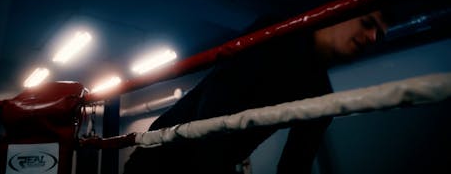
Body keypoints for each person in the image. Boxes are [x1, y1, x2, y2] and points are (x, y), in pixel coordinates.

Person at [123, 10, 389, 174]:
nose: (373, 38)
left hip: (212, 162)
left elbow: (295, 164)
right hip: (161, 156)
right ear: (338, 10)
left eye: (380, 33)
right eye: (367, 23)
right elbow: (216, 99)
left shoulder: (321, 93)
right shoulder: (279, 30)